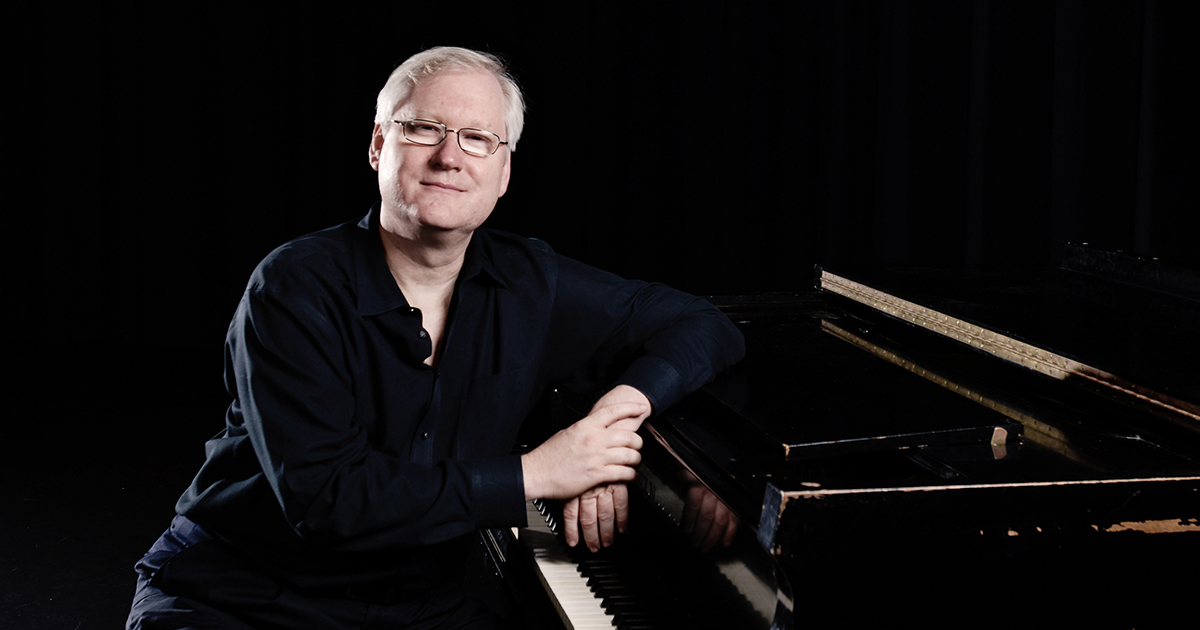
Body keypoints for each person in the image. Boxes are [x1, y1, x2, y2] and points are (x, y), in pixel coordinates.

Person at [127, 46, 744, 629]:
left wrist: (614, 419)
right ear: (378, 146)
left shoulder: (529, 280)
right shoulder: (293, 286)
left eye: (478, 139)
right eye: (423, 128)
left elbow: (703, 324)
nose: (450, 157)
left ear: (502, 173)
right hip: (247, 597)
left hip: (419, 607)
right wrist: (539, 474)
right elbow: (327, 502)